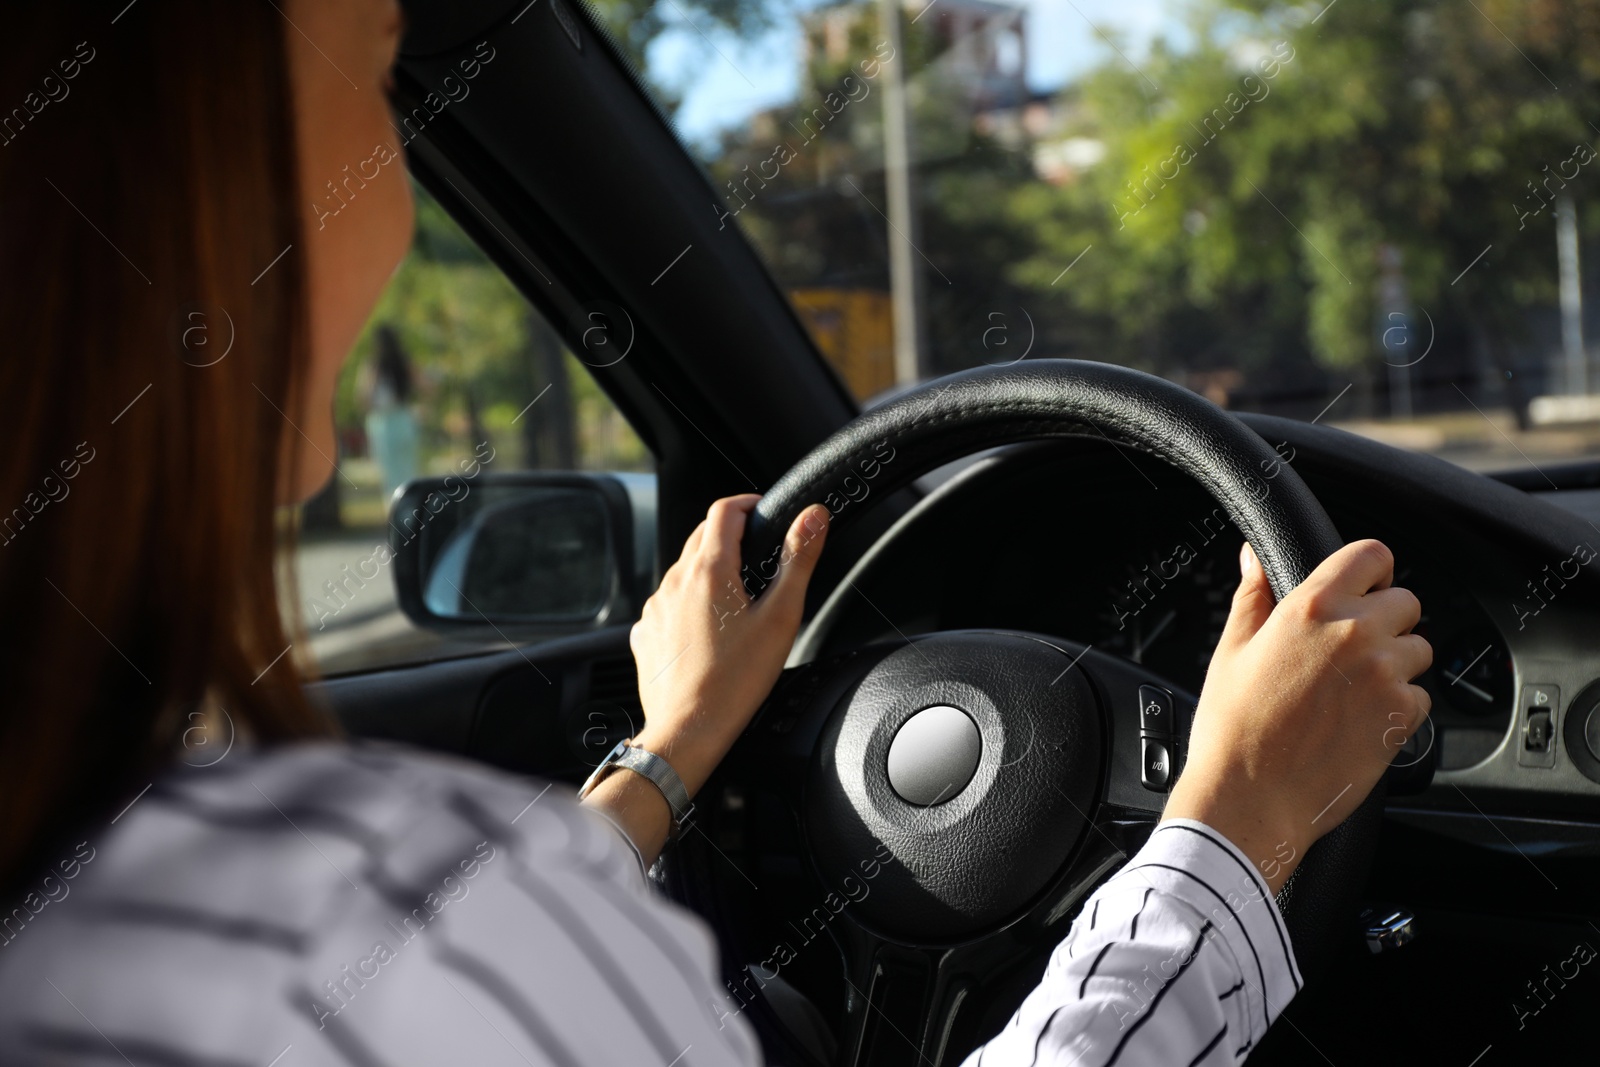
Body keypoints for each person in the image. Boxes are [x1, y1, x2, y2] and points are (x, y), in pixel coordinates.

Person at [0, 2, 1430, 1064]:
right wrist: (1235, 820)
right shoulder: (346, 938)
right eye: (382, 64)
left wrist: (672, 750)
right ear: (192, 169)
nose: (392, 156)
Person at [364, 325, 422, 499]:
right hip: (404, 418)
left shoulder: (373, 365)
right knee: (408, 470)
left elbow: (365, 397)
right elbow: (424, 385)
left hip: (383, 422)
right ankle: (411, 511)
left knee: (390, 475)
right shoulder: (405, 361)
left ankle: (396, 512)